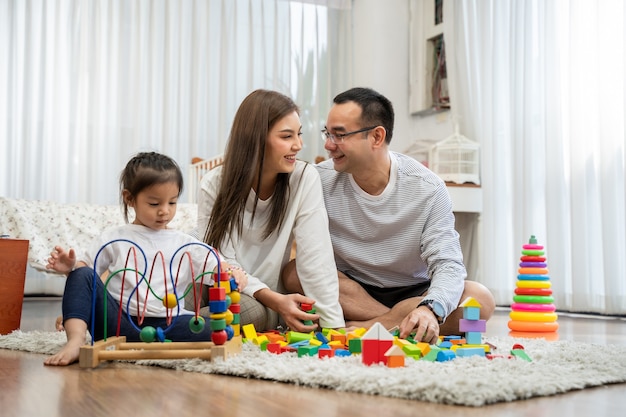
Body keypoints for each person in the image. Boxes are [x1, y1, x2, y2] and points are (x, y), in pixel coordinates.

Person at [282, 87, 495, 343]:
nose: (328, 145)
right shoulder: (317, 179)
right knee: (293, 273)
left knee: (481, 299)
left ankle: (377, 324)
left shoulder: (427, 188)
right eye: (328, 134)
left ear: (376, 137)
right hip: (349, 288)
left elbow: (448, 264)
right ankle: (398, 322)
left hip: (414, 291)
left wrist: (429, 309)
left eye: (339, 135)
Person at [45, 152, 247, 366]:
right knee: (81, 274)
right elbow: (86, 275)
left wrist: (232, 272)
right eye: (154, 204)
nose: (164, 211)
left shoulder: (185, 243)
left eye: (172, 202)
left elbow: (217, 267)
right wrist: (70, 268)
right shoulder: (114, 237)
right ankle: (75, 341)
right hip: (118, 322)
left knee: (213, 330)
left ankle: (152, 340)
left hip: (168, 323)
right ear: (129, 198)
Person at [194, 89, 345, 333]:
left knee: (237, 314)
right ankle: (170, 324)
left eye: (299, 134)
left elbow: (316, 258)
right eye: (287, 136)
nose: (298, 145)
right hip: (218, 283)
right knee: (181, 297)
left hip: (259, 301)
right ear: (255, 139)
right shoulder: (214, 183)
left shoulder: (304, 178)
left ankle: (174, 327)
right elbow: (221, 262)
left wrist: (333, 328)